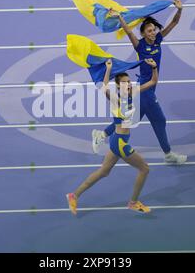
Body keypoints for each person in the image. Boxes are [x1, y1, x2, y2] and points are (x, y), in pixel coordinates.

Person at [92, 0, 187, 165]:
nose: (153, 32)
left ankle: (102, 134)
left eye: (154, 29)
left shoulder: (158, 40)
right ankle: (168, 154)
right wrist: (120, 17)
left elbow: (174, 23)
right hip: (145, 89)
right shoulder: (140, 46)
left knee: (131, 120)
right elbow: (129, 31)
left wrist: (179, 9)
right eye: (149, 31)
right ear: (143, 33)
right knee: (159, 120)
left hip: (149, 88)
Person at [66, 58, 159, 215]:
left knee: (103, 172)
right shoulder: (116, 99)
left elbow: (153, 82)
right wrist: (108, 69)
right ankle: (133, 203)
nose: (128, 84)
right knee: (144, 169)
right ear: (118, 86)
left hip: (118, 140)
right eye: (124, 83)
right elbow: (103, 88)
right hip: (120, 143)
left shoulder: (133, 92)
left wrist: (154, 67)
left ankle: (73, 195)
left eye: (129, 81)